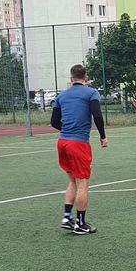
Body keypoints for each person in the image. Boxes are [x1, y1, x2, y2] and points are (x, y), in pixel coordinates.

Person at [51, 64, 108, 235]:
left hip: (63, 142)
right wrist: (103, 136)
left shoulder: (61, 96)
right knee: (82, 183)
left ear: (71, 78)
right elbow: (97, 115)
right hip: (78, 143)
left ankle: (67, 218)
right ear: (86, 77)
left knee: (72, 181)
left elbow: (54, 122)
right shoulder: (91, 93)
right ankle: (81, 224)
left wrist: (67, 129)